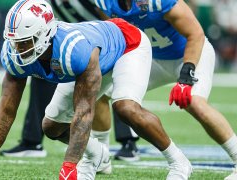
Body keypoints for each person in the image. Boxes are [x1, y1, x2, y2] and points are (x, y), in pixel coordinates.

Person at [0, 0, 192, 179]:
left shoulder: (73, 51)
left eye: (26, 41)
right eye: (16, 41)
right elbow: (5, 110)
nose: (19, 48)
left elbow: (84, 113)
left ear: (45, 34)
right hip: (95, 54)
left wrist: (68, 167)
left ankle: (178, 161)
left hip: (128, 45)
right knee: (51, 126)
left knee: (126, 108)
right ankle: (97, 154)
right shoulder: (15, 53)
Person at [92, 0, 237, 179]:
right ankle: (101, 156)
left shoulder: (159, 2)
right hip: (150, 56)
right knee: (100, 87)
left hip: (187, 55)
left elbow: (196, 34)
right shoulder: (104, 3)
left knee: (193, 101)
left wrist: (186, 75)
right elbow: (116, 35)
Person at [0, 0, 140, 161]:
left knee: (114, 89)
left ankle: (128, 141)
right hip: (59, 42)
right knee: (39, 71)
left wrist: (109, 42)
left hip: (98, 41)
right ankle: (32, 141)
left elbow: (110, 16)